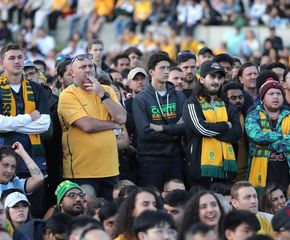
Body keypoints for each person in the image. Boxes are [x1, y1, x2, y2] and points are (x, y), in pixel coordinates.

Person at [57, 53, 127, 200]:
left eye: (90, 66)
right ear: (72, 72)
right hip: (82, 171)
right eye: (82, 67)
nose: (88, 70)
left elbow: (122, 117)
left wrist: (101, 94)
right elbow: (87, 125)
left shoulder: (106, 91)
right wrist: (112, 124)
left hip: (110, 169)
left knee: (110, 214)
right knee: (85, 213)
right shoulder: (68, 94)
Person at [0, 43, 50, 217]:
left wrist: (10, 124)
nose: (17, 61)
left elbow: (44, 124)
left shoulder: (37, 89)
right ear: (2, 64)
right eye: (11, 58)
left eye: (20, 57)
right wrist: (29, 118)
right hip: (4, 162)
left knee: (32, 214)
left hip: (34, 160)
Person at [132, 51, 186, 190]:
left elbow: (186, 128)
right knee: (153, 199)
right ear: (151, 72)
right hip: (150, 159)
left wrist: (162, 128)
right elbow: (145, 133)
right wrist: (175, 132)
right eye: (162, 68)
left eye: (168, 68)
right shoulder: (141, 99)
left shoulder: (180, 97)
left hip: (174, 157)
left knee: (177, 200)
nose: (167, 71)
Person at [182, 61, 241, 187]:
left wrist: (211, 127)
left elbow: (236, 133)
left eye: (219, 77)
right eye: (212, 77)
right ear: (202, 79)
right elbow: (202, 129)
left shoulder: (227, 104)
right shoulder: (192, 103)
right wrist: (225, 125)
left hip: (226, 175)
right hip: (200, 175)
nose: (216, 81)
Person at [246, 79, 290, 190]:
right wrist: (281, 136)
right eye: (271, 93)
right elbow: (255, 136)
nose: (275, 97)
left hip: (287, 171)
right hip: (261, 171)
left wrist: (269, 142)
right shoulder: (253, 115)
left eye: (278, 93)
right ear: (262, 98)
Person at [222, 82, 247, 181]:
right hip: (228, 171)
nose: (238, 100)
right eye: (233, 98)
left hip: (247, 172)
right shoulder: (222, 118)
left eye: (240, 97)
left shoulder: (249, 115)